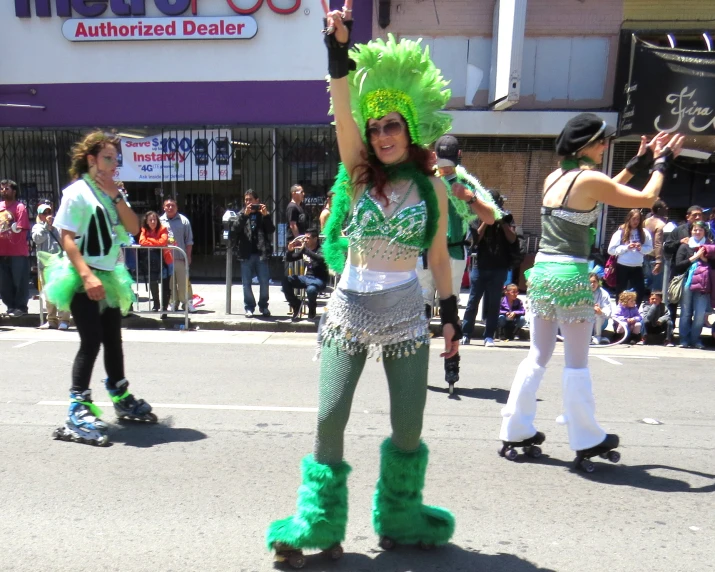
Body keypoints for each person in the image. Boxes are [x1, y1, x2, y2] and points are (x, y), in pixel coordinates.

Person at [266, 8, 459, 563]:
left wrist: (449, 319)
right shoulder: (356, 170)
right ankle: (321, 523)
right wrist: (338, 52)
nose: (380, 136)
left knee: (407, 423)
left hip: (404, 311)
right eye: (375, 129)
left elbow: (440, 258)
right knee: (329, 416)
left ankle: (400, 514)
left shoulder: (432, 190)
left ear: (410, 127)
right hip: (348, 308)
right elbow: (343, 114)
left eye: (390, 125)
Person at [497, 114, 683, 470]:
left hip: (542, 274)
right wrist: (661, 162)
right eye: (601, 141)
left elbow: (601, 190)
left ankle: (515, 428)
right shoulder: (589, 179)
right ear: (584, 146)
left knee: (537, 355)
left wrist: (635, 163)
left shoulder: (558, 176)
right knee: (577, 362)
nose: (605, 146)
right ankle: (586, 438)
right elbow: (645, 198)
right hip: (570, 273)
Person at [41, 131, 157, 447]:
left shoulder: (112, 193)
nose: (113, 165)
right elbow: (66, 237)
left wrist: (117, 196)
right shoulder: (77, 193)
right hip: (81, 275)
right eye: (107, 158)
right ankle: (77, 408)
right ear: (91, 160)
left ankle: (119, 393)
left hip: (109, 274)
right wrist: (87, 276)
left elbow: (134, 228)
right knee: (91, 341)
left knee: (113, 340)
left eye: (116, 161)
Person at [416, 134, 499, 388]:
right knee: (420, 311)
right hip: (424, 253)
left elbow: (491, 216)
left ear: (459, 158)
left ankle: (451, 365)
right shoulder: (425, 181)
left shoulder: (464, 182)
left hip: (453, 254)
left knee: (450, 312)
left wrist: (470, 198)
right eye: (441, 161)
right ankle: (415, 366)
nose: (445, 167)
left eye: (449, 162)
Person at [461, 189, 517, 347]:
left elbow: (513, 240)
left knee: (494, 303)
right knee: (473, 301)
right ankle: (466, 334)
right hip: (480, 266)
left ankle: (489, 336)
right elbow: (474, 240)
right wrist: (487, 220)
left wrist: (502, 223)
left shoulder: (506, 217)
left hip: (499, 267)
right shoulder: (477, 217)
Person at [233, 189, 275, 318]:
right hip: (246, 254)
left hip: (261, 253)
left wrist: (266, 215)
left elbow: (271, 230)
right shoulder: (241, 214)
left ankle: (263, 306)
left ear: (257, 201)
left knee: (264, 282)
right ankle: (249, 307)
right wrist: (244, 215)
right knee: (246, 283)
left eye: (250, 199)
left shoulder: (263, 214)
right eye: (246, 200)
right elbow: (234, 231)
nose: (248, 202)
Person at [675, 221, 714, 349]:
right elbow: (678, 265)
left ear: (705, 231)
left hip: (704, 284)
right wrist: (695, 257)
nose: (697, 232)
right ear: (691, 231)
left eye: (700, 230)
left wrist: (704, 259)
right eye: (695, 230)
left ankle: (695, 339)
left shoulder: (710, 246)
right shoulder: (685, 246)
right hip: (688, 282)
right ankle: (684, 339)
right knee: (686, 312)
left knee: (700, 314)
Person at [32, 203, 71, 330]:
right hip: (45, 267)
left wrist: (53, 227)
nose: (48, 215)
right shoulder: (37, 227)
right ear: (39, 215)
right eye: (44, 213)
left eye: (49, 212)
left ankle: (64, 320)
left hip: (59, 265)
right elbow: (38, 239)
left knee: (62, 293)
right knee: (49, 294)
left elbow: (64, 241)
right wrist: (45, 226)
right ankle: (51, 320)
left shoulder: (57, 227)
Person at [607, 208, 653, 306]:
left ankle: (633, 312)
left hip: (637, 266)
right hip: (622, 266)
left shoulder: (644, 232)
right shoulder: (621, 232)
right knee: (620, 291)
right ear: (629, 219)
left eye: (638, 219)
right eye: (634, 219)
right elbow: (611, 250)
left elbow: (649, 248)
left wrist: (641, 248)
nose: (636, 222)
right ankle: (619, 315)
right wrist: (626, 247)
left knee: (640, 290)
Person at [282, 227, 329, 320]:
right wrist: (290, 250)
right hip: (307, 277)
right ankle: (295, 304)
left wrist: (305, 250)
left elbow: (320, 259)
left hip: (319, 279)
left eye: (308, 238)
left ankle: (312, 309)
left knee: (311, 290)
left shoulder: (322, 249)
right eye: (305, 238)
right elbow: (290, 258)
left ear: (315, 239)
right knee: (286, 280)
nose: (305, 240)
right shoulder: (305, 250)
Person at [0, 179, 31, 317]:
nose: (4, 191)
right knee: (4, 282)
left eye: (7, 189)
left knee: (20, 280)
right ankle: (10, 307)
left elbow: (21, 227)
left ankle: (21, 307)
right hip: (1, 251)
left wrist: (13, 228)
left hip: (17, 252)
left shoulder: (20, 207)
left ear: (14, 191)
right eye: (2, 189)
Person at [160, 198, 195, 313]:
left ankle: (187, 303)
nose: (170, 207)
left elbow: (189, 241)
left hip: (180, 258)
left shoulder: (184, 221)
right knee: (170, 283)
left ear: (177, 207)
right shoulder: (160, 221)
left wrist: (188, 256)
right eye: (167, 205)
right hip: (166, 259)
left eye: (172, 205)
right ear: (163, 207)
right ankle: (173, 303)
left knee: (184, 282)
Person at [138, 210, 173, 315]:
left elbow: (162, 242)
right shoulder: (144, 229)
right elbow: (141, 241)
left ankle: (164, 308)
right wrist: (155, 242)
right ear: (147, 222)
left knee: (165, 285)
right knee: (153, 283)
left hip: (165, 261)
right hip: (151, 261)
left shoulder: (163, 229)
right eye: (150, 220)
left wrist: (150, 241)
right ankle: (156, 304)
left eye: (154, 219)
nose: (153, 221)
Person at [644, 199, 668, 293]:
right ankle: (655, 305)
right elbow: (658, 242)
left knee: (648, 281)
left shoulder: (645, 221)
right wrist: (659, 261)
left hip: (646, 255)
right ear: (659, 209)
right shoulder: (661, 224)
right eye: (665, 207)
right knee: (657, 286)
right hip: (656, 257)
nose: (667, 208)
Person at [589, 272, 612, 345]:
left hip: (601, 320)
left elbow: (608, 311)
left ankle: (597, 336)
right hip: (586, 319)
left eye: (594, 282)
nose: (592, 284)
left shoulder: (604, 294)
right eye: (590, 282)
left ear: (598, 282)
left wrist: (600, 311)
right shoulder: (582, 292)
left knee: (597, 315)